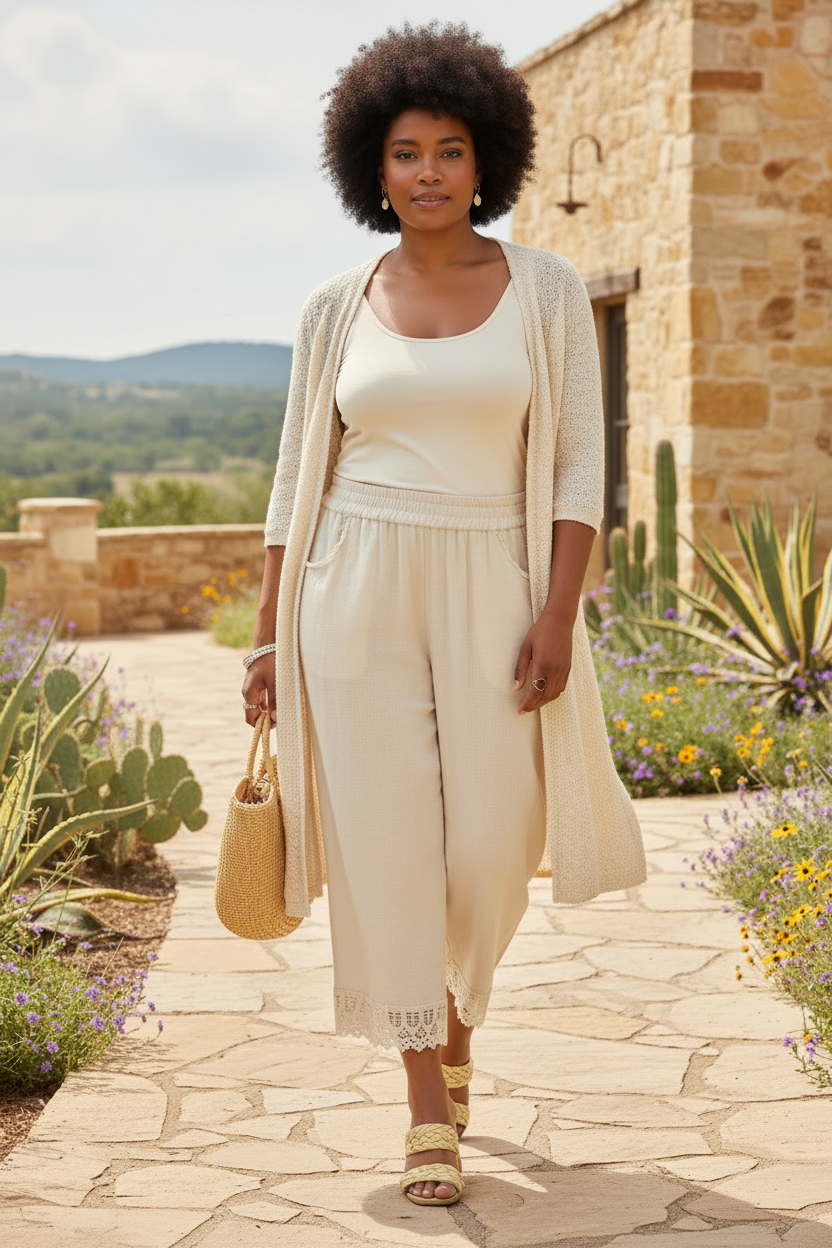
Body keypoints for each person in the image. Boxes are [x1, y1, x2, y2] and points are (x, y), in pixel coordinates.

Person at [242, 21, 646, 1208]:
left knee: (489, 851)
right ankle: (429, 1098)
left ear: (487, 163)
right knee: (389, 848)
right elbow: (291, 482)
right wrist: (269, 634)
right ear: (372, 165)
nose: (428, 171)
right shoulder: (337, 304)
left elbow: (576, 466)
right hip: (350, 589)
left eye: (450, 150)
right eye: (406, 151)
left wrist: (559, 612)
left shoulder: (548, 289)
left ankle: (455, 1027)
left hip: (495, 584)